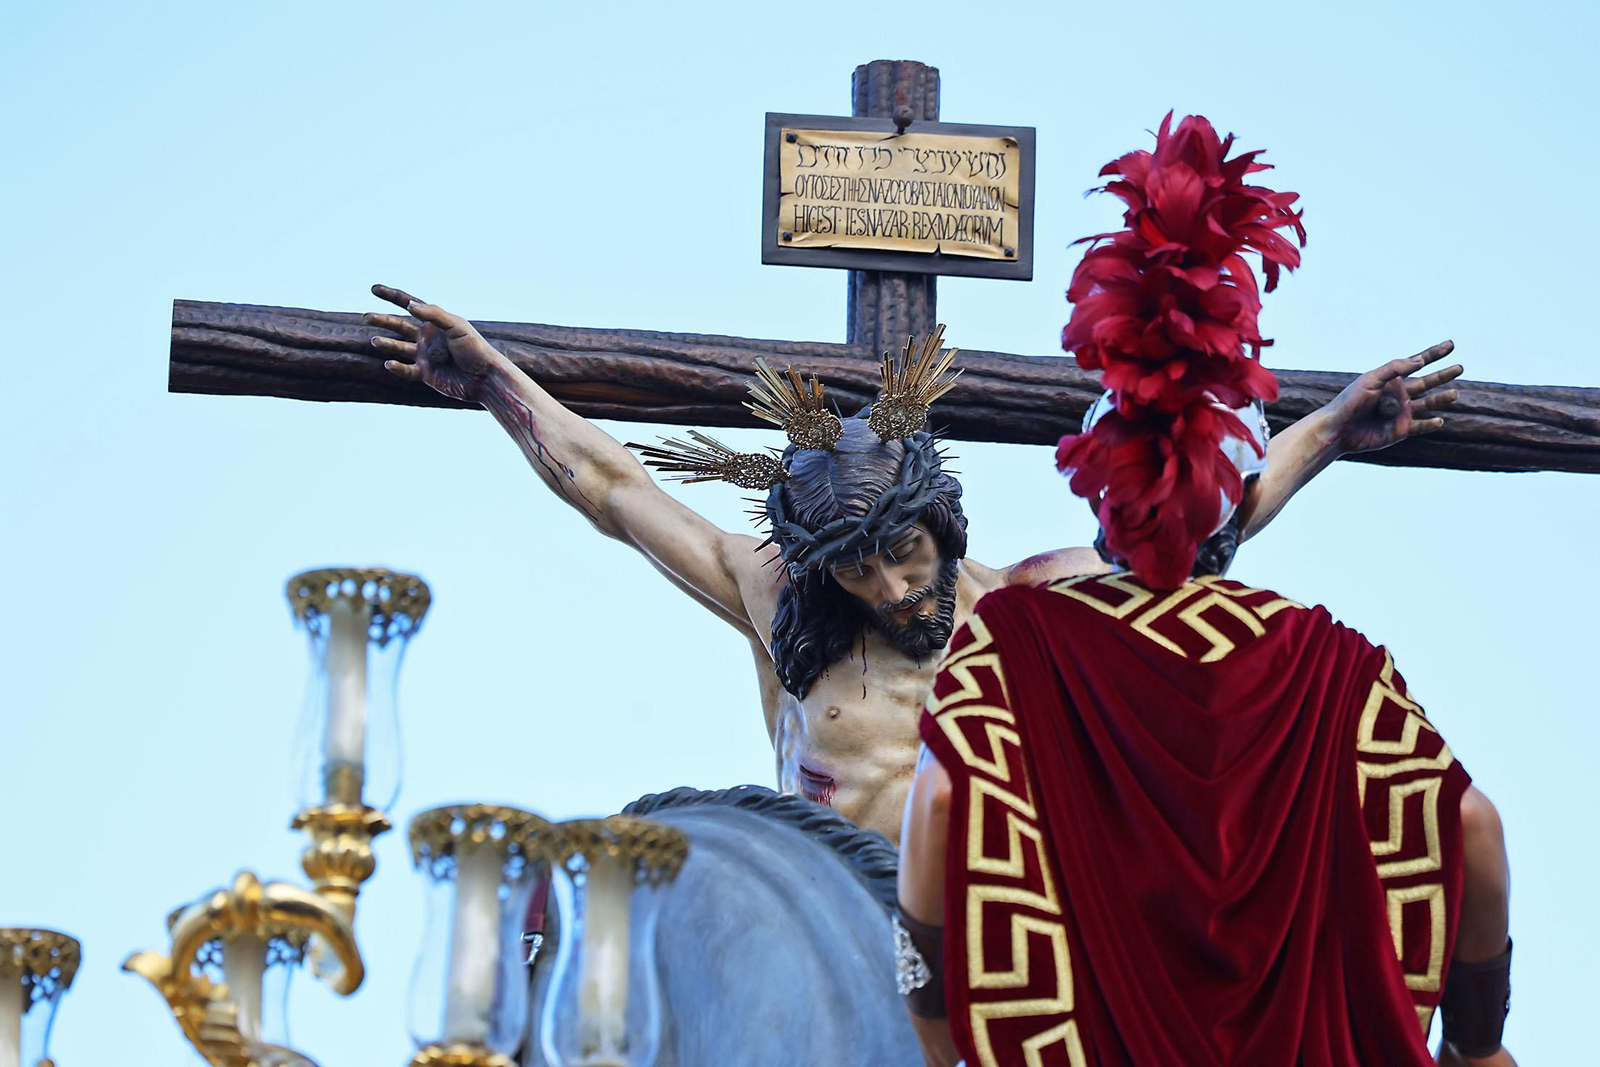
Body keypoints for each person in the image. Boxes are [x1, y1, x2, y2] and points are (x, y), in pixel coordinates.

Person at [367, 285, 1460, 843]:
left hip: (980, 939)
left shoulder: (1031, 601)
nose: (891, 591)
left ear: (942, 526)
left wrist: (1326, 433)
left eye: (903, 555)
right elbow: (614, 489)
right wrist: (492, 382)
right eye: (858, 573)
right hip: (831, 905)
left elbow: (1197, 538)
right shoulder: (783, 600)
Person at [894, 113, 1514, 1066]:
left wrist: (931, 1022)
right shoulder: (1329, 664)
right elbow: (1470, 823)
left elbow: (938, 812)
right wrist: (1479, 1044)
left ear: (1100, 501)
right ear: (1239, 506)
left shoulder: (1014, 642)